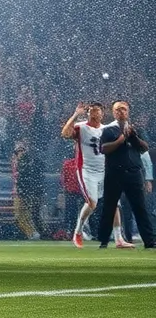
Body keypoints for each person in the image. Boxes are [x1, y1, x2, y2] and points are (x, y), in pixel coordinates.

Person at [61, 102, 127, 248]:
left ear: (102, 113)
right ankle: (78, 232)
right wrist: (76, 114)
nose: (93, 113)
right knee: (92, 203)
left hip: (104, 170)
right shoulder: (81, 126)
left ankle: (118, 239)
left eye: (96, 110)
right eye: (91, 111)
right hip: (86, 170)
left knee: (114, 203)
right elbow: (65, 134)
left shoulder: (107, 129)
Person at [97, 101, 154, 249]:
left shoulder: (135, 129)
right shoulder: (109, 130)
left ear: (128, 111)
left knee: (140, 208)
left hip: (134, 173)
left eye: (124, 109)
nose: (121, 111)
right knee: (109, 207)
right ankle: (103, 241)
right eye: (118, 109)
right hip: (115, 173)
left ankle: (150, 241)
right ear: (113, 112)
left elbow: (144, 148)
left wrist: (134, 137)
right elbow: (103, 149)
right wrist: (120, 140)